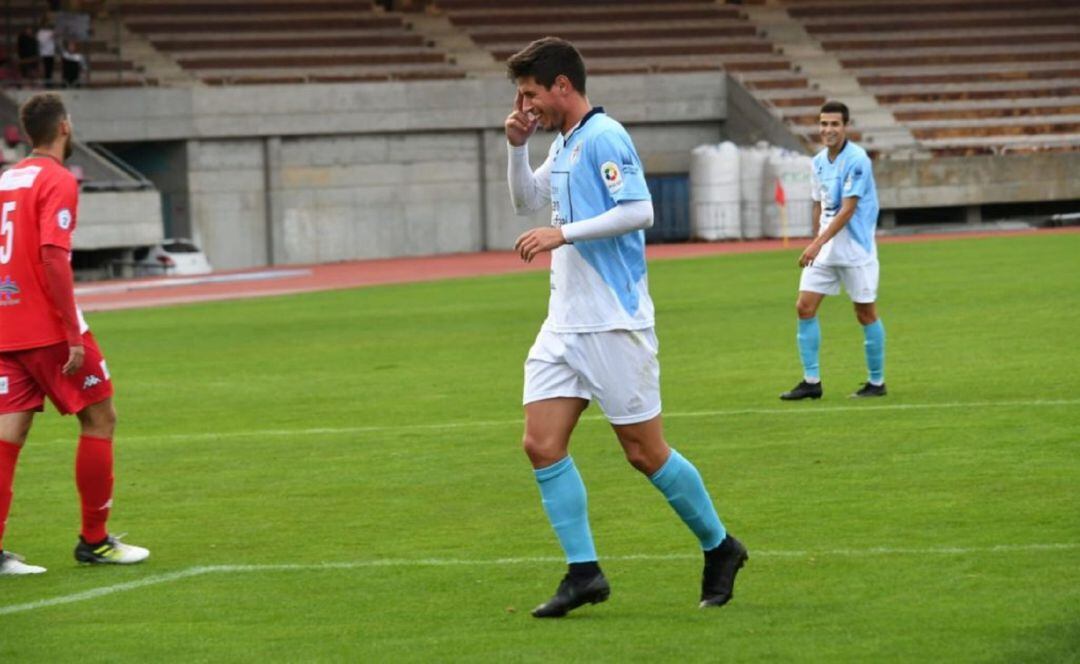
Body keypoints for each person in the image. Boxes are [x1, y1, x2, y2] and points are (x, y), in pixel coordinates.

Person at [505, 37, 746, 618]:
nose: (525, 103)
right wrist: (515, 148)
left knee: (645, 453)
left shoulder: (605, 137)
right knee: (540, 444)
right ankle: (584, 573)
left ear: (562, 85)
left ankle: (721, 547)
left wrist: (563, 234)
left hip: (614, 322)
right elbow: (524, 202)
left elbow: (640, 211)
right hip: (564, 324)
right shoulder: (562, 143)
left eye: (531, 93)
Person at [0, 92, 149, 576]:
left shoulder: (7, 179)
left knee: (7, 436)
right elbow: (52, 255)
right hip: (46, 326)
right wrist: (70, 332)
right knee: (100, 419)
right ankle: (95, 540)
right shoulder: (58, 179)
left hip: (5, 325)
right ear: (63, 127)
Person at [780, 100, 885, 401]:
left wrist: (815, 243)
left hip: (855, 250)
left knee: (865, 313)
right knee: (804, 307)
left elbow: (848, 209)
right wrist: (816, 238)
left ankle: (877, 382)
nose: (828, 129)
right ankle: (811, 381)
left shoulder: (857, 160)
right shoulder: (817, 162)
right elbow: (819, 203)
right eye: (824, 124)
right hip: (825, 250)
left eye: (834, 124)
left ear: (846, 126)